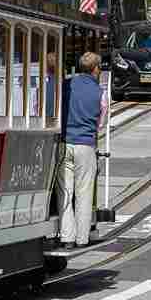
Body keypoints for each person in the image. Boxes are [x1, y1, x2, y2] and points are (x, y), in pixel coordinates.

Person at [57, 52, 107, 249]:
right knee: (84, 193)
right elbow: (100, 124)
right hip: (86, 145)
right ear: (95, 69)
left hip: (65, 144)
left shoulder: (66, 85)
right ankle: (81, 238)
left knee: (66, 193)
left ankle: (66, 238)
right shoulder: (100, 93)